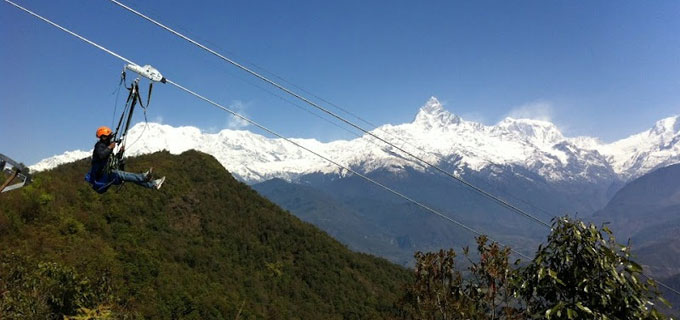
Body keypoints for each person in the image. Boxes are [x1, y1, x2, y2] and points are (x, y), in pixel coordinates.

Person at [85, 126, 165, 193]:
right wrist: (110, 148)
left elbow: (111, 160)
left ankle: (153, 184)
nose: (110, 138)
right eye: (108, 137)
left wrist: (120, 152)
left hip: (107, 174)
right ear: (103, 137)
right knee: (123, 175)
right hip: (102, 176)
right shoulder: (99, 146)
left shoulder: (106, 146)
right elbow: (101, 156)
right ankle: (143, 177)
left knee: (130, 178)